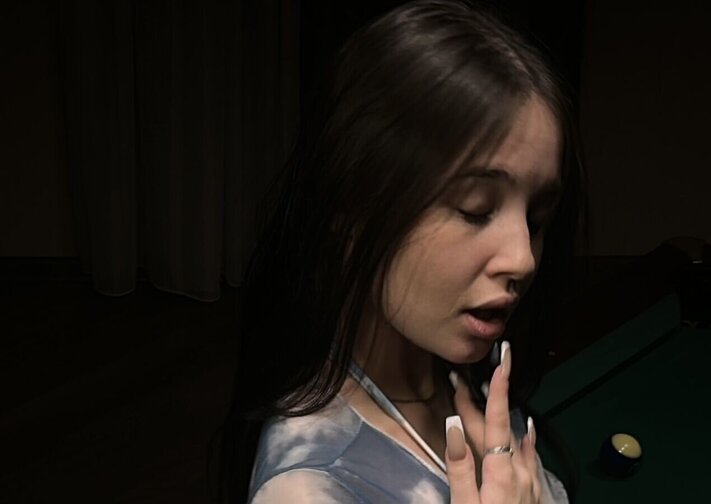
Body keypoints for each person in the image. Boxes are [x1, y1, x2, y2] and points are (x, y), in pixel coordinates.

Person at [221, 0, 586, 502]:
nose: (523, 258)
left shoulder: (463, 373)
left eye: (536, 219)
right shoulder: (306, 490)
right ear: (351, 209)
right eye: (476, 209)